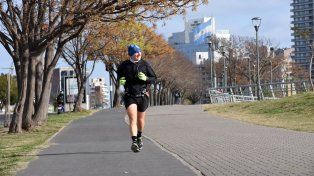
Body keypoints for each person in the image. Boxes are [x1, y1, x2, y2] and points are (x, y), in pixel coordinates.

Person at [117, 44, 156, 153]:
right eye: (136, 52)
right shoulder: (124, 65)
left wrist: (147, 78)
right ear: (130, 54)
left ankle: (139, 136)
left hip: (142, 96)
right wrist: (121, 80)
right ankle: (134, 142)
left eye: (139, 52)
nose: (139, 54)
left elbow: (154, 78)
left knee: (140, 119)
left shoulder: (145, 64)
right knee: (132, 119)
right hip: (130, 95)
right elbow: (119, 74)